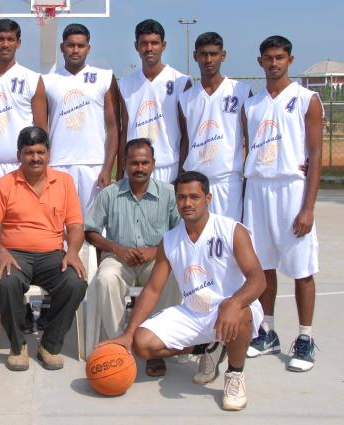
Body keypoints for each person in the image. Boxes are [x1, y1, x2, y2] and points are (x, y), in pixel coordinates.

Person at [104, 171, 266, 411]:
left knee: (239, 313)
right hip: (194, 312)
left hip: (232, 309)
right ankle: (209, 347)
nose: (187, 203)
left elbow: (258, 279)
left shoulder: (232, 230)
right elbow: (152, 290)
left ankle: (235, 375)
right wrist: (128, 333)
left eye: (194, 197)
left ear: (208, 198)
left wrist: (234, 302)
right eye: (181, 197)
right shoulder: (170, 240)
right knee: (142, 344)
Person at [241, 35, 323, 372]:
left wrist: (308, 207)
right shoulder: (252, 104)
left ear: (290, 60)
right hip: (258, 188)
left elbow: (315, 155)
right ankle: (267, 332)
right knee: (263, 267)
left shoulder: (306, 99)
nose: (273, 63)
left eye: (279, 57)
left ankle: (305, 337)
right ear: (259, 61)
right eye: (268, 58)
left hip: (291, 189)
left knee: (301, 268)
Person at [0, 126, 87, 371]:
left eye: (40, 152)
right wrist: (0, 251)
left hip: (53, 256)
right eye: (29, 152)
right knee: (6, 284)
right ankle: (18, 346)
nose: (35, 158)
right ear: (19, 155)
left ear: (48, 153)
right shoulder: (5, 184)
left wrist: (72, 252)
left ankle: (50, 345)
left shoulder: (64, 182)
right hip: (14, 255)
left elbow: (76, 225)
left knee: (76, 282)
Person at [84, 138, 181, 377]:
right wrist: (117, 249)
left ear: (153, 164)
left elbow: (182, 232)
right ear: (125, 164)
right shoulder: (110, 194)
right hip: (119, 259)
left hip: (155, 259)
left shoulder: (169, 194)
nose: (139, 168)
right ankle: (118, 344)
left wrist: (155, 251)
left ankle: (155, 348)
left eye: (144, 163)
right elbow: (90, 231)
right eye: (134, 163)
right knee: (106, 278)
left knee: (172, 278)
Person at [43, 23, 119, 213]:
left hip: (94, 164)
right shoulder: (47, 80)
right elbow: (42, 127)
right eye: (70, 45)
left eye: (80, 45)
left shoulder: (104, 77)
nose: (75, 50)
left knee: (93, 225)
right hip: (57, 163)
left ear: (88, 48)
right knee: (58, 223)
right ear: (62, 47)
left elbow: (113, 127)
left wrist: (107, 168)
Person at [179, 32, 251, 221]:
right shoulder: (186, 97)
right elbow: (184, 141)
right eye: (203, 54)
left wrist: (248, 180)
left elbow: (252, 140)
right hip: (195, 183)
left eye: (214, 54)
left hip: (228, 182)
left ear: (223, 55)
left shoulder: (241, 92)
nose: (208, 59)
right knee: (197, 236)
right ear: (195, 56)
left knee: (227, 236)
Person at [0, 19, 48, 191]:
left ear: (18, 43)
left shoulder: (32, 79)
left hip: (24, 166)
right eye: (0, 39)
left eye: (10, 39)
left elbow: (42, 129)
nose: (5, 44)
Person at [118, 19, 191, 183]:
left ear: (163, 45)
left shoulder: (181, 81)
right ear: (136, 46)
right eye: (144, 43)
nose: (149, 48)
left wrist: (182, 172)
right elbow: (124, 130)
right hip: (136, 167)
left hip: (169, 166)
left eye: (154, 43)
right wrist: (121, 171)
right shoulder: (125, 84)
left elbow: (186, 133)